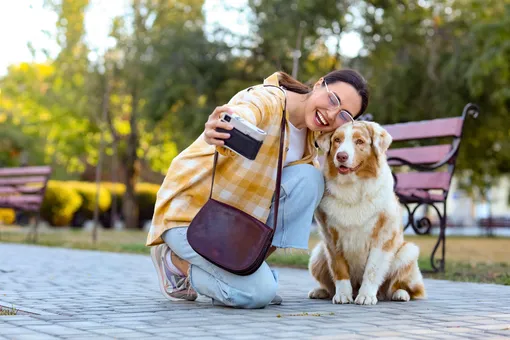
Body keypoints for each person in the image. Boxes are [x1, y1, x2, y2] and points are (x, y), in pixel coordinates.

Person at [147, 70, 369, 308]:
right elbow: (246, 111)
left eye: (345, 115)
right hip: (191, 218)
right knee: (258, 294)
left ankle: (245, 269)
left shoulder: (309, 144)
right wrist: (226, 123)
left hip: (228, 225)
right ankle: (175, 263)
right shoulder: (269, 99)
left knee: (311, 180)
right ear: (318, 85)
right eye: (333, 99)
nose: (332, 113)